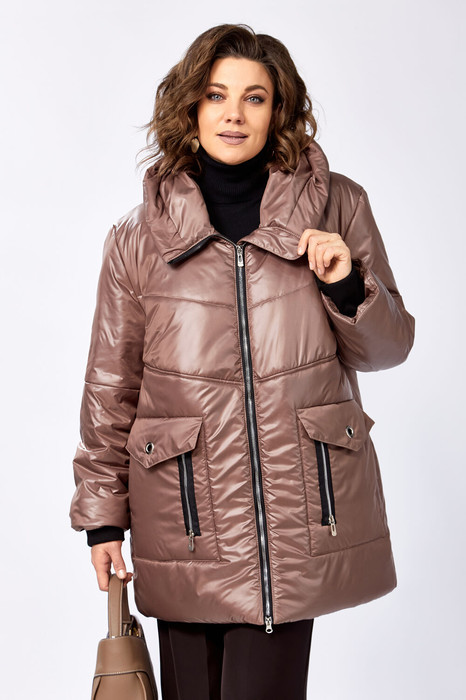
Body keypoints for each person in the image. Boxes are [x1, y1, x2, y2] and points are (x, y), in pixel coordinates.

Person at [69, 23, 415, 700]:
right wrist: (102, 520)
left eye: (254, 98)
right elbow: (111, 385)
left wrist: (347, 284)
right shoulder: (138, 237)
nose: (233, 113)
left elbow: (389, 348)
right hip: (184, 519)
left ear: (278, 109)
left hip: (293, 521)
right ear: (190, 107)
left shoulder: (336, 205)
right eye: (216, 95)